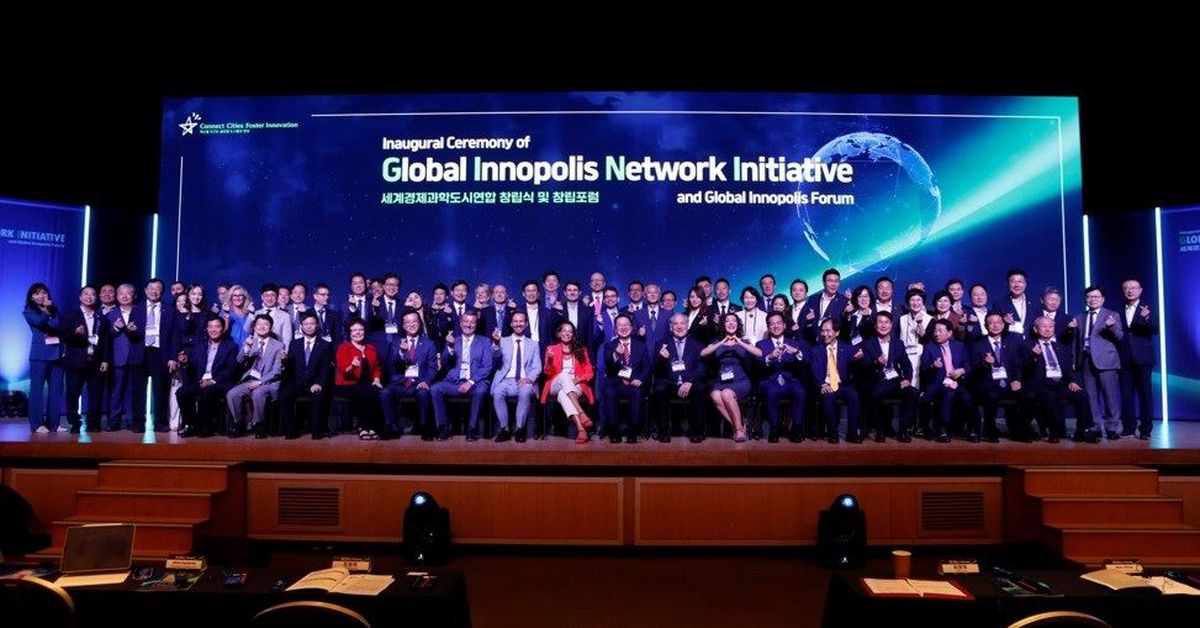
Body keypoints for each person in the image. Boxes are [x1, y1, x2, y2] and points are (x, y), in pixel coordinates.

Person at [1022, 316, 1099, 443]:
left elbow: (1068, 368)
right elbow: (1024, 369)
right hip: (1041, 384)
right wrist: (1034, 356)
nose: (1048, 329)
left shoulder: (1060, 346)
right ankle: (1054, 431)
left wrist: (1073, 381)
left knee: (1082, 395)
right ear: (1035, 329)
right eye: (1044, 326)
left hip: (1061, 383)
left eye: (1051, 326)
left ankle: (1082, 432)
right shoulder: (1027, 346)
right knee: (1050, 396)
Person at [856, 311, 918, 442]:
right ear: (875, 325)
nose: (883, 325)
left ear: (891, 325)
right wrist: (876, 362)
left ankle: (903, 431)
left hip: (895, 381)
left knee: (913, 392)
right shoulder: (867, 343)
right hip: (875, 381)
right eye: (880, 322)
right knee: (877, 393)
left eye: (886, 322)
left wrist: (907, 379)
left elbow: (907, 365)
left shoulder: (898, 343)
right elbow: (861, 368)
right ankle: (880, 430)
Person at [431, 311, 494, 441]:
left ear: (476, 324)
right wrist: (450, 347)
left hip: (476, 382)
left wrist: (470, 382)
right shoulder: (453, 340)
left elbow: (487, 366)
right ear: (460, 323)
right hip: (454, 382)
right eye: (466, 321)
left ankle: (472, 429)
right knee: (435, 388)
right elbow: (444, 363)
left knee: (481, 391)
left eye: (472, 322)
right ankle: (443, 428)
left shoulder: (485, 342)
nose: (468, 325)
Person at [701, 313, 761, 442]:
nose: (731, 323)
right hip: (721, 381)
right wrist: (722, 342)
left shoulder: (744, 342)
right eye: (727, 321)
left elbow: (759, 353)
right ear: (723, 325)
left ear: (738, 325)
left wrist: (740, 342)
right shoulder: (717, 343)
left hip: (741, 381)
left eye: (734, 321)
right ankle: (740, 426)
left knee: (727, 394)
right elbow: (703, 353)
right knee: (715, 395)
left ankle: (738, 430)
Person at [225, 314, 287, 438]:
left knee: (258, 393)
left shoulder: (278, 345)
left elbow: (276, 371)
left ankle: (259, 425)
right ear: (254, 327)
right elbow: (239, 361)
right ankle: (238, 424)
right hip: (250, 380)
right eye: (259, 324)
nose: (262, 327)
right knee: (232, 393)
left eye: (266, 324)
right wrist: (246, 348)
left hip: (269, 381)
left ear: (271, 327)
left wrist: (260, 382)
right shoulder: (250, 342)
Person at [652, 314, 711, 443]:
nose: (679, 327)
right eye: (675, 324)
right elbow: (656, 369)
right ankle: (663, 432)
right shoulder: (661, 344)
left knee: (701, 389)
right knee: (660, 389)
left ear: (687, 326)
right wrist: (662, 359)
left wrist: (689, 381)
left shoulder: (697, 344)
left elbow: (702, 367)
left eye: (682, 323)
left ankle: (696, 432)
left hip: (690, 382)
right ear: (671, 327)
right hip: (670, 382)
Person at [1075, 285, 1124, 439]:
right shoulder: (1080, 317)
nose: (1092, 299)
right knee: (1091, 396)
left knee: (1110, 396)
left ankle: (1112, 428)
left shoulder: (1112, 315)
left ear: (1102, 299)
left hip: (1106, 361)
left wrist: (1112, 327)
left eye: (1096, 297)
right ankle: (1095, 426)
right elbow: (1077, 341)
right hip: (1086, 359)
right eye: (1089, 297)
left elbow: (1119, 336)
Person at [176, 316, 239, 437]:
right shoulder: (200, 345)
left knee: (205, 394)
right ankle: (191, 424)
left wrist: (213, 380)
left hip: (219, 382)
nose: (213, 330)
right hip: (201, 380)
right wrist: (185, 361)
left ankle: (205, 427)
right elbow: (192, 364)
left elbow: (231, 369)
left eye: (217, 327)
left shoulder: (231, 346)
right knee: (181, 392)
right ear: (207, 329)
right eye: (210, 327)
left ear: (222, 329)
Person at [279, 311, 334, 440]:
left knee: (318, 396)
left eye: (312, 323)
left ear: (317, 325)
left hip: (315, 383)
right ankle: (291, 430)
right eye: (306, 324)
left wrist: (319, 383)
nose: (309, 326)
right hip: (297, 383)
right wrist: (285, 360)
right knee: (285, 395)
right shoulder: (294, 344)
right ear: (301, 326)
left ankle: (316, 430)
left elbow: (326, 368)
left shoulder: (325, 345)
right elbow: (290, 367)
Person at [61, 285, 109, 433]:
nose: (89, 297)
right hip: (75, 361)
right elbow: (63, 335)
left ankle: (93, 423)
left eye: (92, 294)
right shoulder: (70, 315)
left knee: (96, 394)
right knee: (73, 393)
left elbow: (105, 341)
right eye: (86, 294)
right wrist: (74, 333)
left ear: (96, 298)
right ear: (80, 297)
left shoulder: (101, 318)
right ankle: (75, 423)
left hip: (95, 361)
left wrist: (105, 360)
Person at [970, 313, 1025, 442]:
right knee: (991, 395)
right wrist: (984, 363)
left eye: (999, 322)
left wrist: (1017, 379)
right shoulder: (978, 344)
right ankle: (990, 430)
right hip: (987, 383)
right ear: (985, 325)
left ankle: (1020, 429)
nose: (995, 325)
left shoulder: (1011, 342)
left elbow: (1017, 365)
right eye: (991, 322)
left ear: (1004, 324)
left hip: (1008, 382)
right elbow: (972, 368)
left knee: (1029, 395)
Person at [541, 321, 595, 444]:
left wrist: (579, 379)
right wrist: (549, 360)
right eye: (564, 331)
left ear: (573, 335)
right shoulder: (551, 349)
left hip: (576, 385)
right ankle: (581, 412)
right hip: (556, 384)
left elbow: (590, 373)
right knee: (564, 375)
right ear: (559, 333)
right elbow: (548, 373)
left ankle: (581, 429)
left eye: (570, 331)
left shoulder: (581, 350)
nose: (567, 333)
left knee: (562, 394)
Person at [756, 312, 808, 442]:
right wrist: (770, 357)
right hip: (770, 380)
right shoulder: (761, 344)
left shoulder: (794, 343)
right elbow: (758, 365)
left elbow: (805, 363)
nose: (776, 326)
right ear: (768, 327)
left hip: (790, 381)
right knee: (771, 391)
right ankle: (774, 429)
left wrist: (796, 352)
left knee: (800, 391)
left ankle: (796, 428)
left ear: (784, 325)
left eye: (779, 323)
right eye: (772, 324)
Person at [920, 319, 973, 442]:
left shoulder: (959, 346)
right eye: (935, 331)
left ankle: (972, 429)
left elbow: (967, 365)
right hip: (938, 383)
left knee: (967, 398)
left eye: (940, 331)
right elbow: (924, 368)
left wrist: (961, 371)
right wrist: (933, 366)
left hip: (956, 382)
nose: (936, 334)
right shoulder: (929, 347)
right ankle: (943, 429)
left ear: (949, 333)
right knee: (948, 394)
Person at [491, 311, 542, 443]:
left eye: (521, 321)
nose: (518, 324)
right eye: (515, 321)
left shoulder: (533, 344)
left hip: (525, 380)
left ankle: (520, 429)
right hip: (506, 380)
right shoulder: (502, 341)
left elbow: (537, 367)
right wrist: (496, 344)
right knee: (497, 392)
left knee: (525, 392)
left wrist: (529, 379)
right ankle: (505, 429)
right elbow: (495, 360)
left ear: (526, 324)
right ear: (511, 324)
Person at [601, 313, 651, 443]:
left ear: (632, 327)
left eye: (626, 325)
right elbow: (608, 364)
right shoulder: (610, 345)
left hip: (634, 383)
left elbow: (647, 367)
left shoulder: (640, 345)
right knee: (609, 392)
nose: (623, 328)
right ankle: (614, 432)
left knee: (637, 393)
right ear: (615, 329)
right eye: (620, 325)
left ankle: (632, 432)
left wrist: (640, 379)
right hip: (615, 383)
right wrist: (616, 354)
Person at [810, 319, 860, 443]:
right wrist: (822, 384)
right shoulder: (816, 350)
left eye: (828, 331)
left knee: (854, 397)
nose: (824, 334)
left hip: (843, 384)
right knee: (828, 398)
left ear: (837, 333)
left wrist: (861, 356)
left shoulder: (846, 348)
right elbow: (814, 371)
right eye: (823, 331)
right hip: (826, 384)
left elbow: (861, 354)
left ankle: (852, 433)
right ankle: (832, 433)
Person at [1117, 278, 1156, 439]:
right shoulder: (1117, 310)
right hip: (1124, 359)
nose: (1130, 290)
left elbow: (1156, 329)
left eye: (1133, 288)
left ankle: (1146, 429)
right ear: (1123, 291)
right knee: (1126, 395)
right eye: (1126, 288)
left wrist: (1147, 318)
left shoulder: (1149, 308)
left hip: (1143, 359)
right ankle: (1128, 427)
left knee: (1145, 395)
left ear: (1140, 290)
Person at [334, 319, 384, 440]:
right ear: (349, 333)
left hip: (367, 384)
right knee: (365, 392)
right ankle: (364, 427)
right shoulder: (343, 347)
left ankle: (375, 427)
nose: (358, 332)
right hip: (346, 384)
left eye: (361, 330)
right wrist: (352, 366)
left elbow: (377, 367)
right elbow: (342, 369)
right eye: (354, 330)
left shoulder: (371, 348)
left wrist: (377, 380)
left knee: (378, 391)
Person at [23, 283, 64, 433]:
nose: (41, 296)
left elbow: (57, 325)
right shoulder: (29, 312)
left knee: (56, 390)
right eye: (37, 293)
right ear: (32, 297)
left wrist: (50, 311)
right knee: (37, 391)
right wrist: (47, 311)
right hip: (39, 355)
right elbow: (40, 322)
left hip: (57, 354)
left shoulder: (55, 310)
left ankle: (54, 423)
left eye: (44, 293)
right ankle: (37, 424)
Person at [106, 283, 144, 431]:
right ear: (117, 296)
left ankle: (131, 420)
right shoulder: (111, 315)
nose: (124, 296)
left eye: (128, 293)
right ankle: (114, 421)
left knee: (133, 390)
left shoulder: (141, 312)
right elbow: (106, 336)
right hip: (118, 357)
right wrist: (116, 328)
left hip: (137, 356)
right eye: (121, 293)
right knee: (116, 390)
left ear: (134, 296)